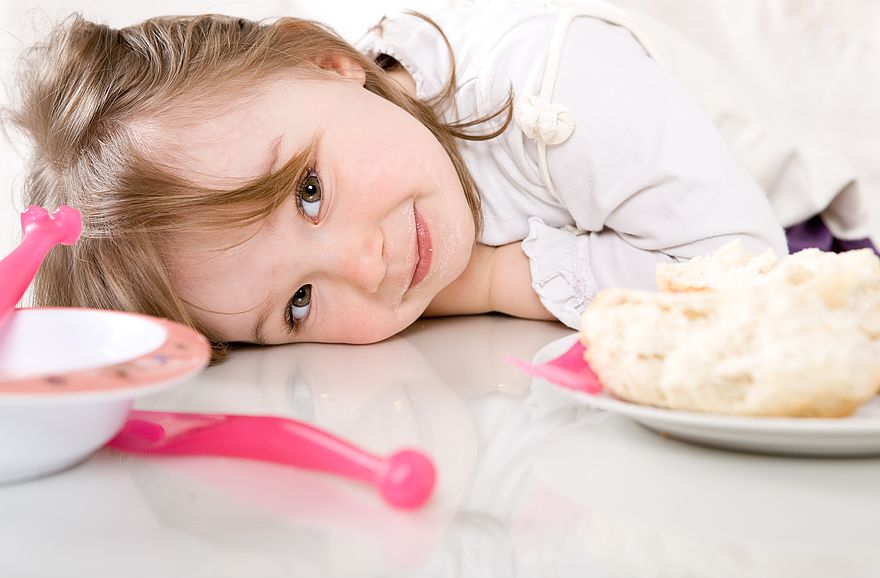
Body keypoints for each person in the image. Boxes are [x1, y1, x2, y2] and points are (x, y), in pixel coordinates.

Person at [8, 1, 871, 359]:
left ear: (334, 63)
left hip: (820, 257)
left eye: (309, 191)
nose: (369, 262)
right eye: (300, 304)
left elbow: (737, 273)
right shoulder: (394, 187)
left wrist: (494, 278)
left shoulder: (553, 85)